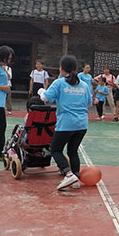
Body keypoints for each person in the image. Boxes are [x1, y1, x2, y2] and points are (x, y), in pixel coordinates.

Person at [39, 55, 92, 190]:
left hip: (66, 124)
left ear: (61, 68)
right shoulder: (84, 85)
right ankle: (75, 178)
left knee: (55, 149)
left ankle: (69, 174)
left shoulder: (59, 83)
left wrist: (41, 91)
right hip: (82, 124)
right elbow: (89, 104)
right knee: (73, 151)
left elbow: (45, 98)